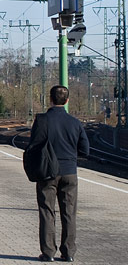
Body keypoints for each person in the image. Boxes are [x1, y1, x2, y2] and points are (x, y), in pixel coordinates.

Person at [28, 85, 89, 262]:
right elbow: (85, 150)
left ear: (51, 99)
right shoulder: (75, 123)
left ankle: (48, 252)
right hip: (70, 173)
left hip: (47, 172)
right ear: (67, 101)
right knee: (69, 212)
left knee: (47, 211)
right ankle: (68, 252)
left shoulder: (42, 120)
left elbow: (33, 147)